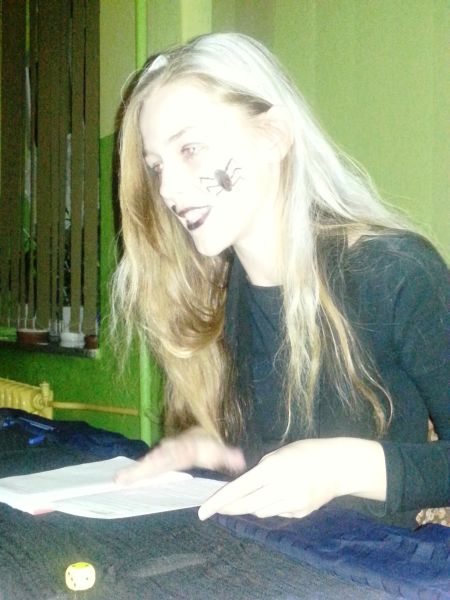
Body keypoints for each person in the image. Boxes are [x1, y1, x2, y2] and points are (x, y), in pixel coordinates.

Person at [111, 32, 449, 528]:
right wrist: (202, 451)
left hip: (372, 563)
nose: (167, 189)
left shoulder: (395, 272)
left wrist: (341, 468)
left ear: (273, 135)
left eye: (191, 149)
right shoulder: (214, 296)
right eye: (157, 166)